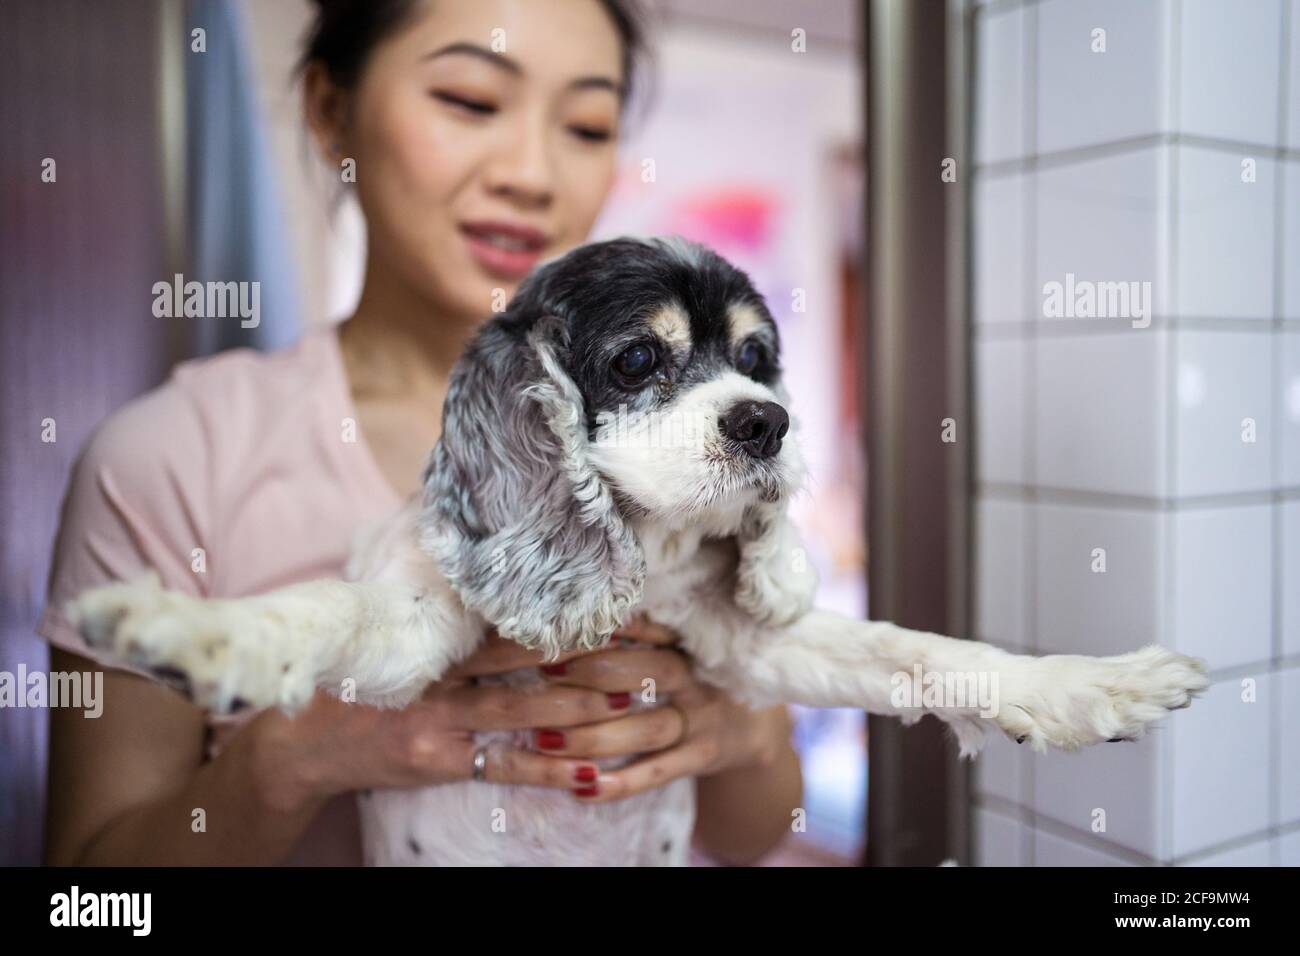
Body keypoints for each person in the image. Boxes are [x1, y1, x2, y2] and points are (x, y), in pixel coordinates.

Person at [42, 0, 802, 866]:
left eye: (587, 125)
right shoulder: (170, 459)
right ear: (333, 112)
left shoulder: (682, 451)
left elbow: (752, 837)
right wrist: (291, 760)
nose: (532, 172)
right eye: (472, 101)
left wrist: (745, 732)